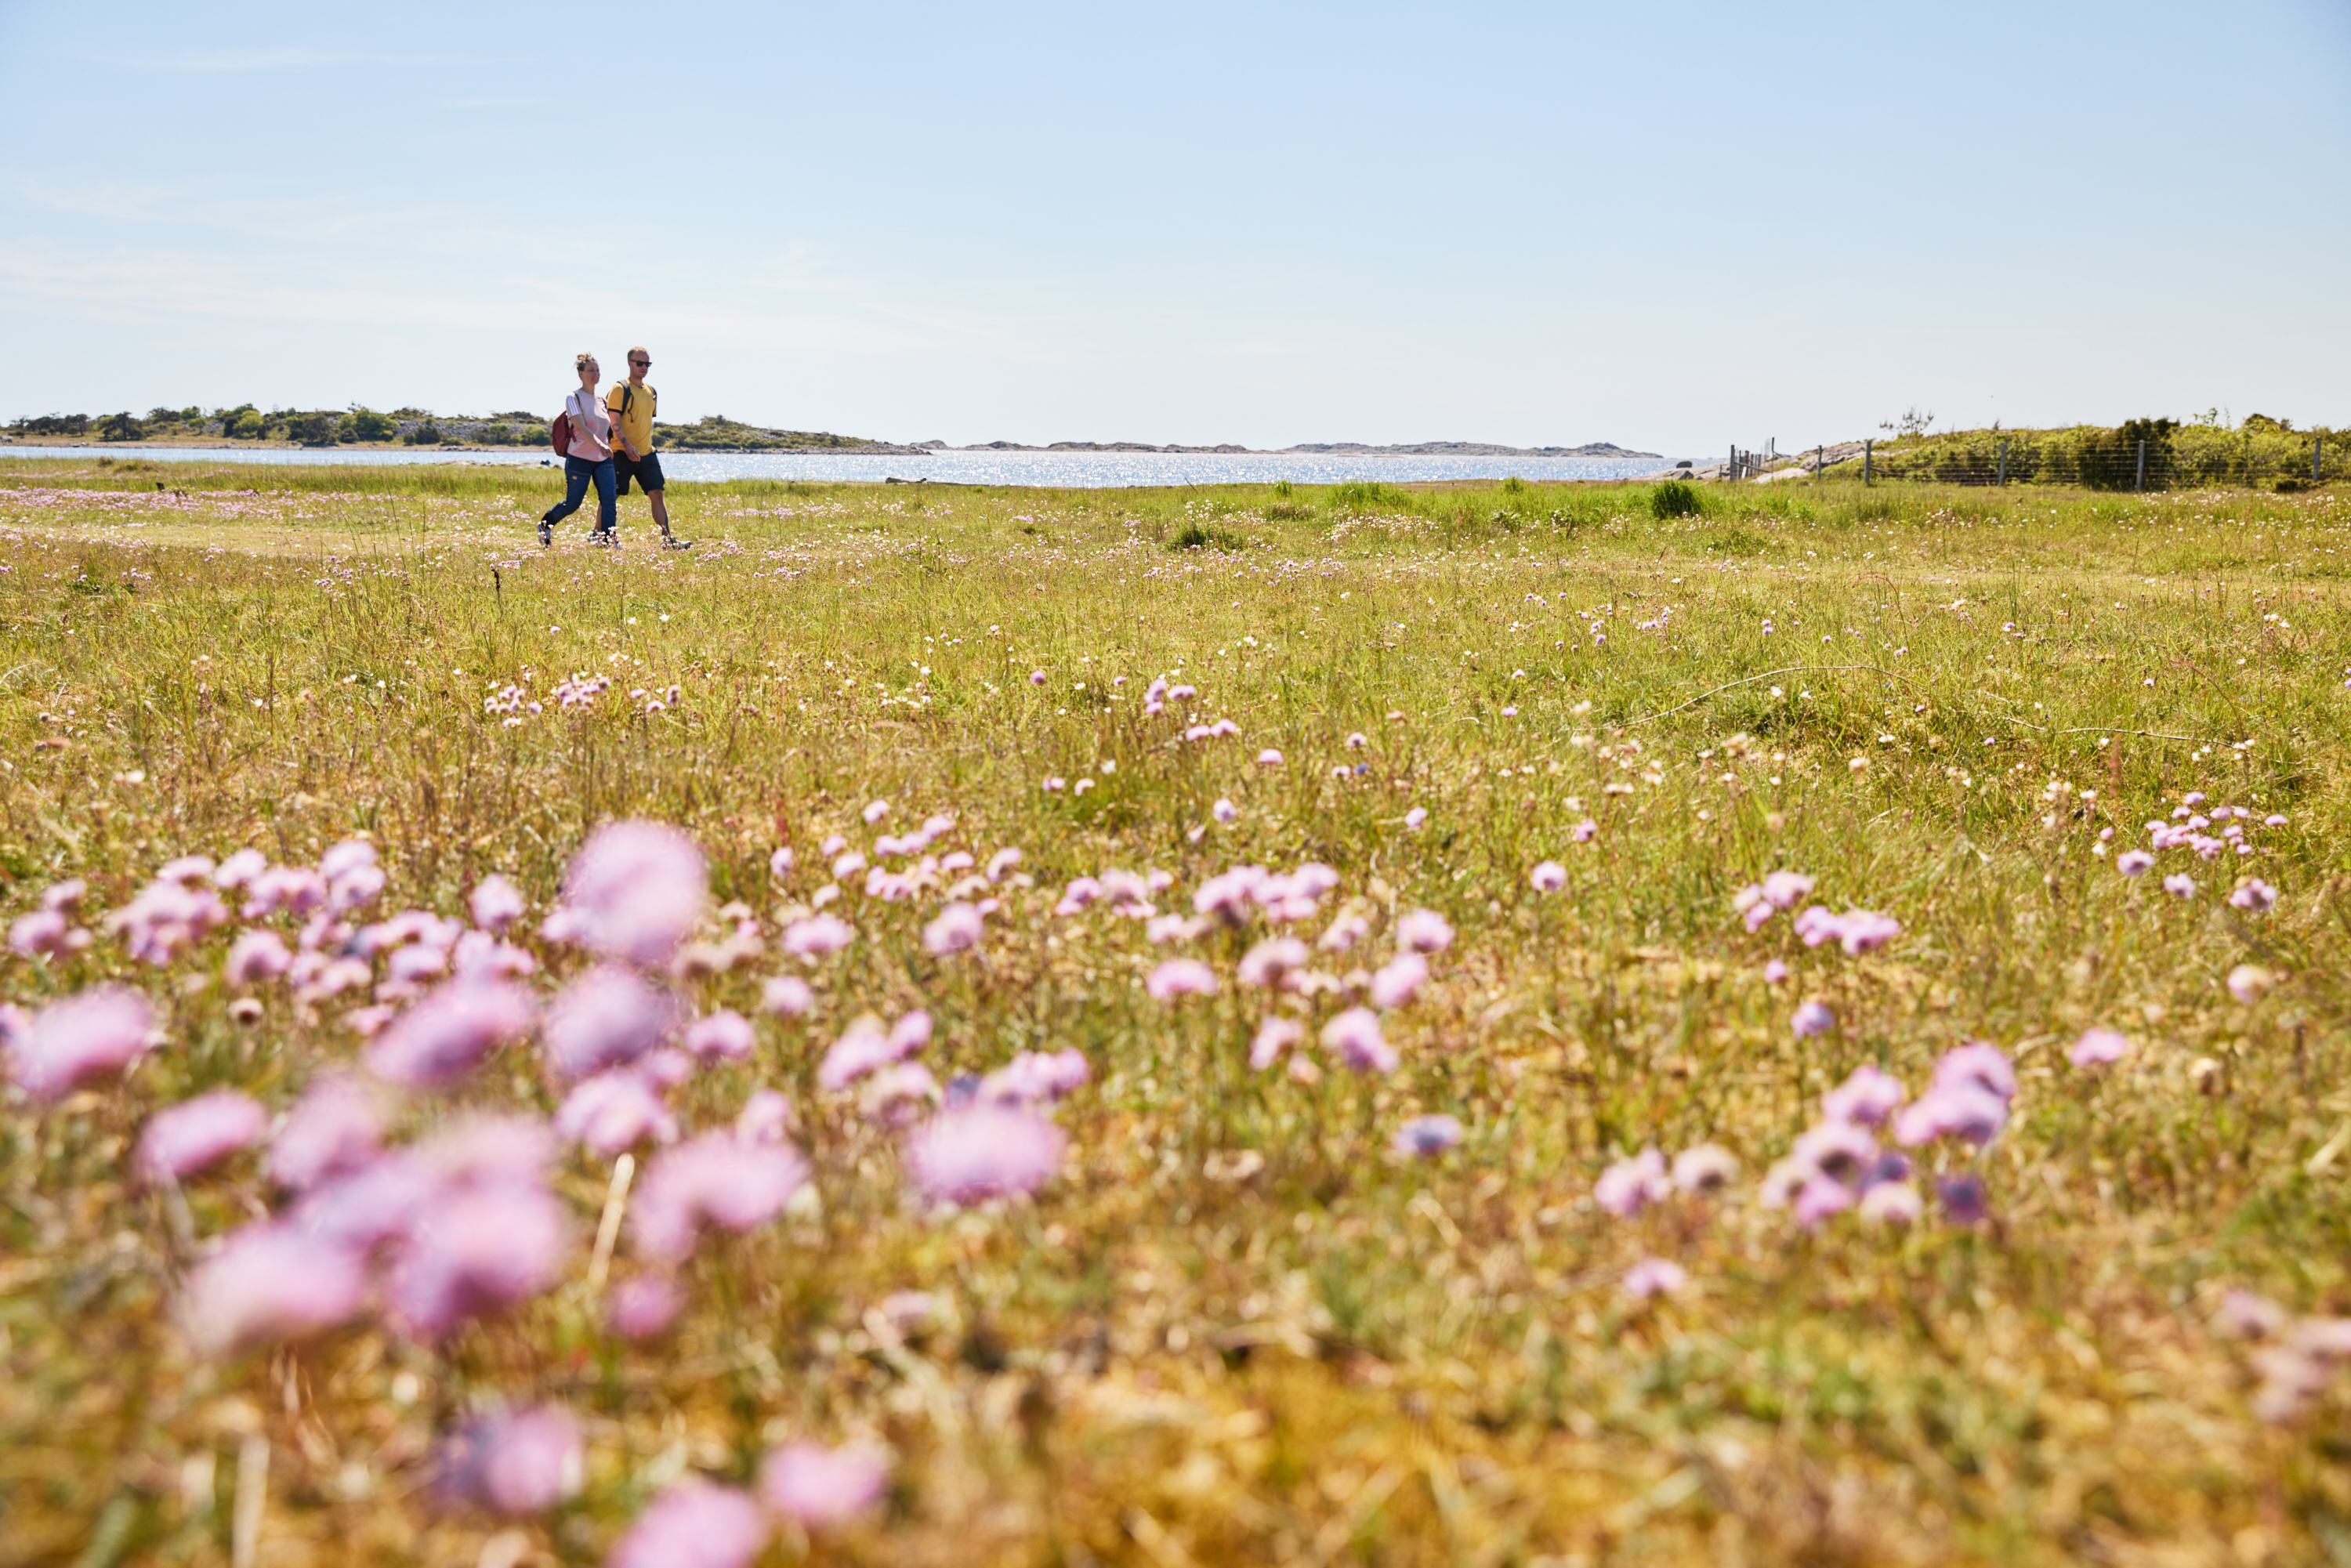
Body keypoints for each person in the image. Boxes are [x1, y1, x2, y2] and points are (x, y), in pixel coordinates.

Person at [605, 346, 690, 549]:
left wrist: (642, 448)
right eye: (639, 363)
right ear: (629, 363)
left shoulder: (652, 392)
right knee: (611, 496)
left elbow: (644, 422)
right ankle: (600, 536)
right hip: (621, 452)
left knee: (657, 494)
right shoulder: (619, 388)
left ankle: (667, 541)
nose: (644, 367)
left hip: (647, 454)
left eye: (647, 364)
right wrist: (627, 446)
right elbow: (613, 420)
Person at [540, 353, 616, 547]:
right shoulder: (573, 397)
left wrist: (606, 446)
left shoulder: (603, 401)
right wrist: (599, 444)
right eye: (591, 370)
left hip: (603, 459)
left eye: (597, 370)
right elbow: (581, 427)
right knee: (573, 503)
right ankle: (545, 526)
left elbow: (606, 429)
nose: (595, 373)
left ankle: (608, 540)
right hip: (579, 457)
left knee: (609, 501)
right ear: (581, 374)